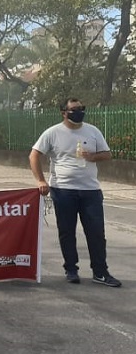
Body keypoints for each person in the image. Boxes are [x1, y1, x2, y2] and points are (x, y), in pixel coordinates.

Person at [29, 97, 120, 287]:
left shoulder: (92, 131)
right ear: (64, 113)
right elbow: (34, 155)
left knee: (96, 232)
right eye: (74, 109)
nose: (79, 112)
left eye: (81, 108)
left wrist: (93, 156)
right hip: (63, 190)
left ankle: (100, 272)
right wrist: (40, 180)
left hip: (90, 190)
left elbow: (107, 154)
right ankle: (71, 269)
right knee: (67, 231)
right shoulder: (53, 133)